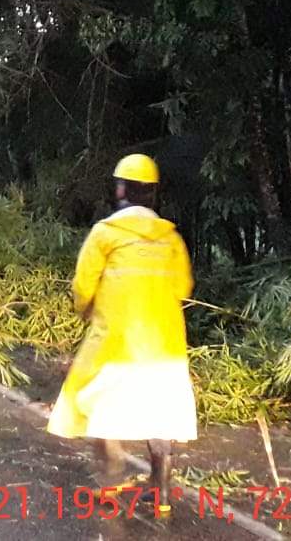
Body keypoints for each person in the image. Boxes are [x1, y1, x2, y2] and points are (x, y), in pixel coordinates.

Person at [47, 153, 197, 512]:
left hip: (115, 341)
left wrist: (83, 309)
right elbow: (183, 288)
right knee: (162, 410)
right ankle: (160, 491)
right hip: (164, 345)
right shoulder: (170, 238)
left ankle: (111, 483)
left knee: (102, 404)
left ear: (120, 190)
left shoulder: (106, 234)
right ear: (153, 195)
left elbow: (84, 286)